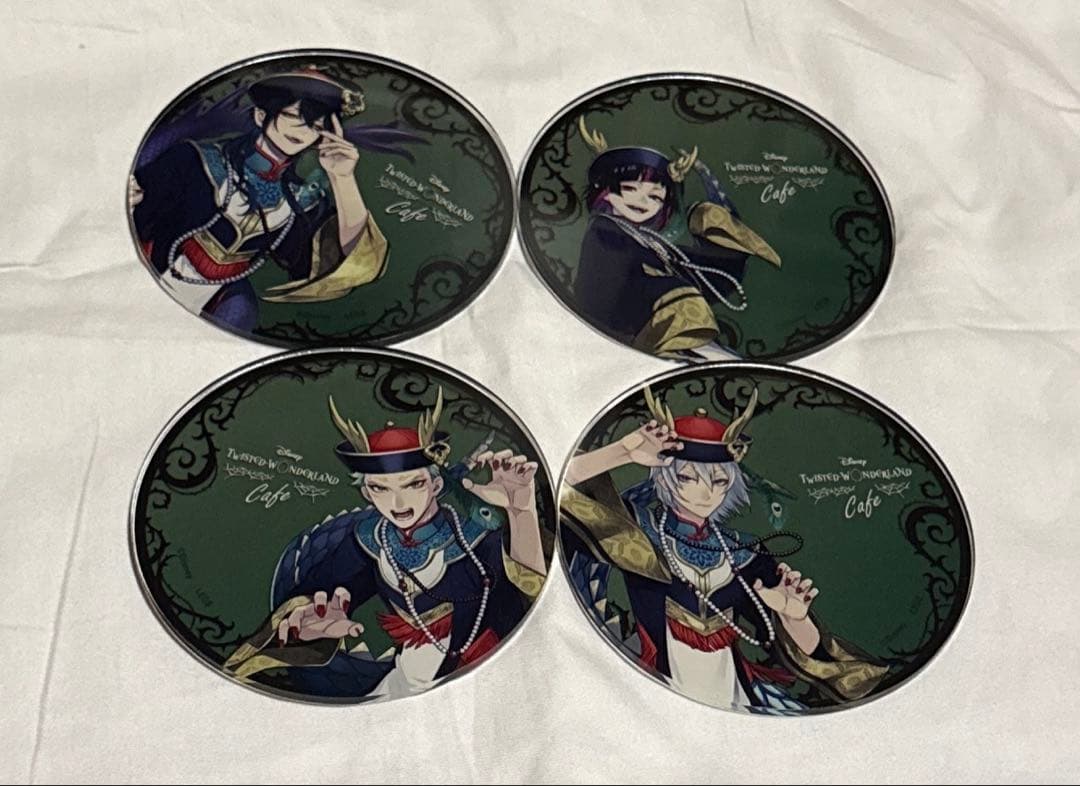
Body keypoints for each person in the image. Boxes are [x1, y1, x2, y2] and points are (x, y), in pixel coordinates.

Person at [560, 386, 889, 711]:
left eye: (719, 481)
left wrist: (795, 618)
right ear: (664, 477)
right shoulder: (637, 531)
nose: (706, 494)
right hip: (651, 692)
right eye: (688, 478)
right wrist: (623, 452)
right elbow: (558, 492)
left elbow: (811, 654)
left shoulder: (747, 554)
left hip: (734, 699)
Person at [224, 387, 547, 700]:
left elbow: (533, 593)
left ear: (436, 485)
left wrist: (522, 513)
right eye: (380, 488)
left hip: (490, 678)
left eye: (414, 484)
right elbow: (316, 594)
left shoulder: (473, 537)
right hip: (407, 681)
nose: (398, 502)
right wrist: (309, 626)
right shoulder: (369, 540)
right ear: (367, 493)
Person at [130, 69, 413, 333]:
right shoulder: (196, 159)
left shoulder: (301, 201)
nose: (302, 130)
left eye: (315, 125)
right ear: (260, 115)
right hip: (146, 274)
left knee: (240, 313)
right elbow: (137, 211)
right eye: (292, 115)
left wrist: (343, 178)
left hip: (218, 307)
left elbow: (356, 264)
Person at [574, 116, 782, 360]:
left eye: (655, 197)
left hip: (654, 327)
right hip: (617, 326)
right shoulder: (604, 229)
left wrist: (709, 227)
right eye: (630, 189)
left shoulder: (649, 239)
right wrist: (675, 287)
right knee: (681, 298)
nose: (643, 201)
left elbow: (695, 271)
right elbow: (608, 287)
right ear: (606, 192)